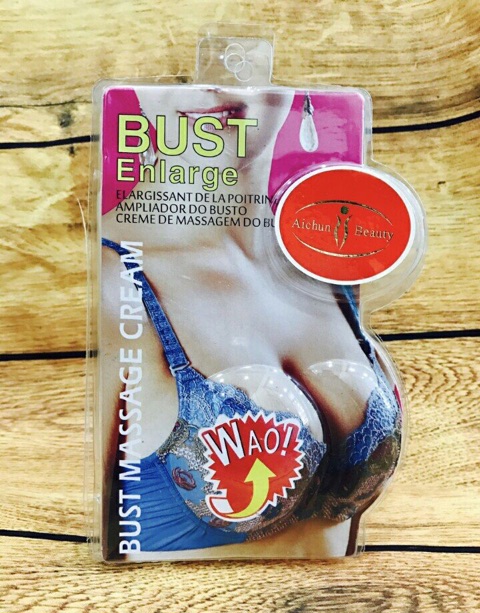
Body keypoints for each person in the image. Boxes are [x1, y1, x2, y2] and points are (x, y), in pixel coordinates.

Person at [100, 85, 401, 560]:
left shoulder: (326, 257)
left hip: (343, 600)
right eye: (178, 77)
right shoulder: (117, 279)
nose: (216, 86)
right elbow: (99, 534)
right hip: (186, 603)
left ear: (299, 99)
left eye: (252, 78)